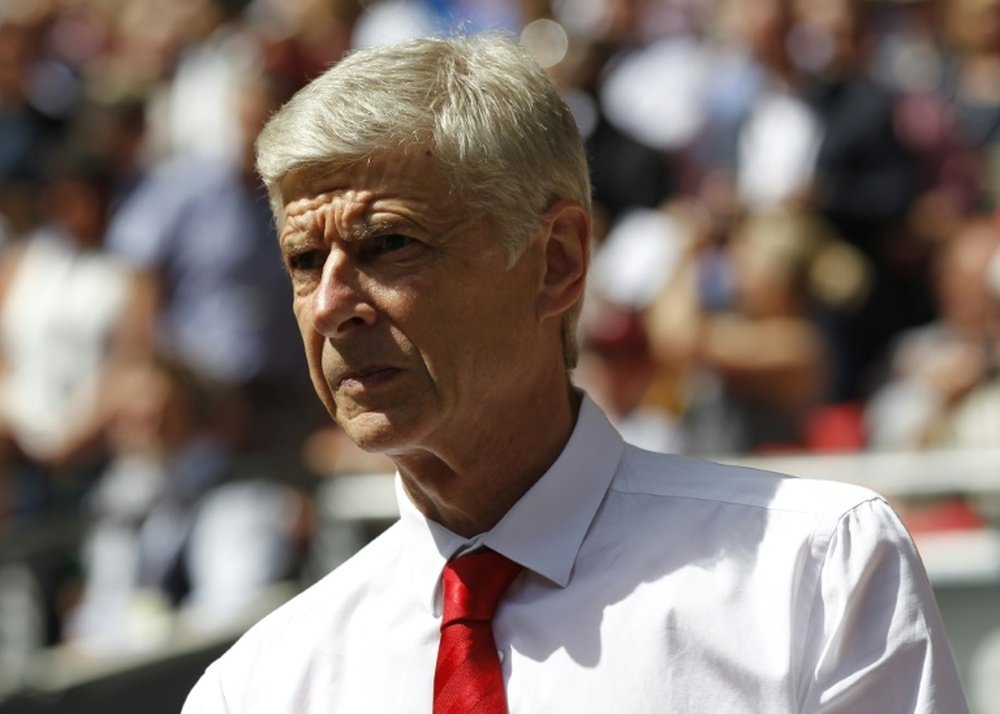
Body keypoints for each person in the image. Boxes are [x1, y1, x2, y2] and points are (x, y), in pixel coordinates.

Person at [182, 34, 968, 712]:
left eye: (390, 245)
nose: (330, 306)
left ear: (556, 261)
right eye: (303, 260)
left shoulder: (812, 572)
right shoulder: (260, 686)